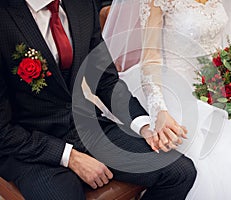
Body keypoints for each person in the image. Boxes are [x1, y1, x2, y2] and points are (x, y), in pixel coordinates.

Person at [0, 0, 197, 199]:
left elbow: (105, 80)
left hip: (86, 128)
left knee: (180, 172)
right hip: (29, 147)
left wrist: (144, 125)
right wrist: (70, 158)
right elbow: (2, 132)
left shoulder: (82, 5)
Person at [103, 0, 231, 199]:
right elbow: (151, 57)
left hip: (217, 85)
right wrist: (158, 108)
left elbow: (223, 45)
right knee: (225, 160)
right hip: (176, 88)